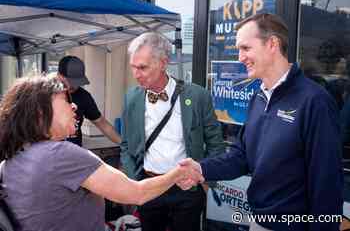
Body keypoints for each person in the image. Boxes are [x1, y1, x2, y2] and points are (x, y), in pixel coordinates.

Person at [179, 13, 343, 231]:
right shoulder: (259, 97)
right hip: (257, 222)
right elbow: (241, 157)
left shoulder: (315, 102)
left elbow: (327, 186)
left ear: (272, 44)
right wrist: (200, 168)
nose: (239, 57)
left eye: (246, 48)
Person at [0, 75, 197, 231]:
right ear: (40, 113)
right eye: (66, 100)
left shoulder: (10, 161)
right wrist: (179, 173)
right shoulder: (59, 155)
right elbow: (136, 193)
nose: (74, 106)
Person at [120, 32, 225, 231]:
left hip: (187, 189)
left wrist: (205, 181)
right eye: (133, 67)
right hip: (149, 186)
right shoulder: (131, 97)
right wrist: (134, 182)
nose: (136, 74)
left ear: (163, 63)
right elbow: (126, 144)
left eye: (142, 67)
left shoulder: (197, 95)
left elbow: (215, 142)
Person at [57, 55, 121, 146]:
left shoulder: (84, 96)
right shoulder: (45, 95)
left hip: (75, 152)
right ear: (59, 75)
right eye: (70, 81)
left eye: (77, 82)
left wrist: (124, 145)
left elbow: (102, 123)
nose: (74, 86)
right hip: (50, 154)